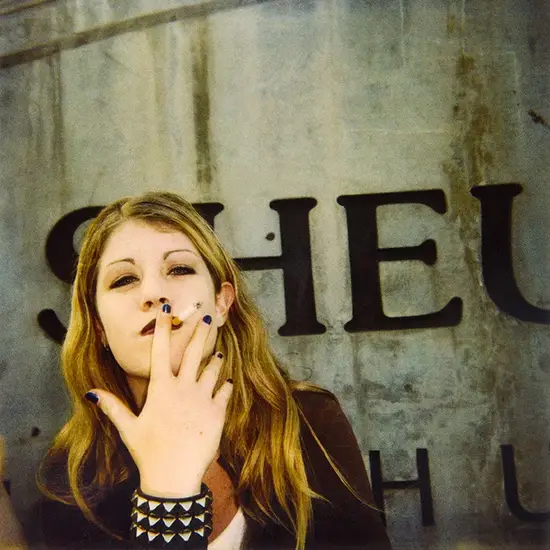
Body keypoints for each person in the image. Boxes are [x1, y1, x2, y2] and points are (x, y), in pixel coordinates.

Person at [3, 192, 392, 549]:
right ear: (99, 326)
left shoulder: (306, 420)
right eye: (125, 279)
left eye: (179, 269)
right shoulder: (74, 479)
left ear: (221, 303)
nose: (154, 293)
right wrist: (168, 495)